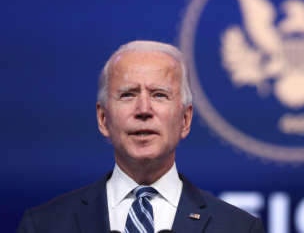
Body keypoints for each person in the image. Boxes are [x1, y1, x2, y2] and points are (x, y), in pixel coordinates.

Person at [17, 40, 265, 233]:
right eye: (128, 94)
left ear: (185, 120)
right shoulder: (44, 225)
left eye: (159, 95)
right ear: (103, 119)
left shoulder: (238, 228)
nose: (144, 110)